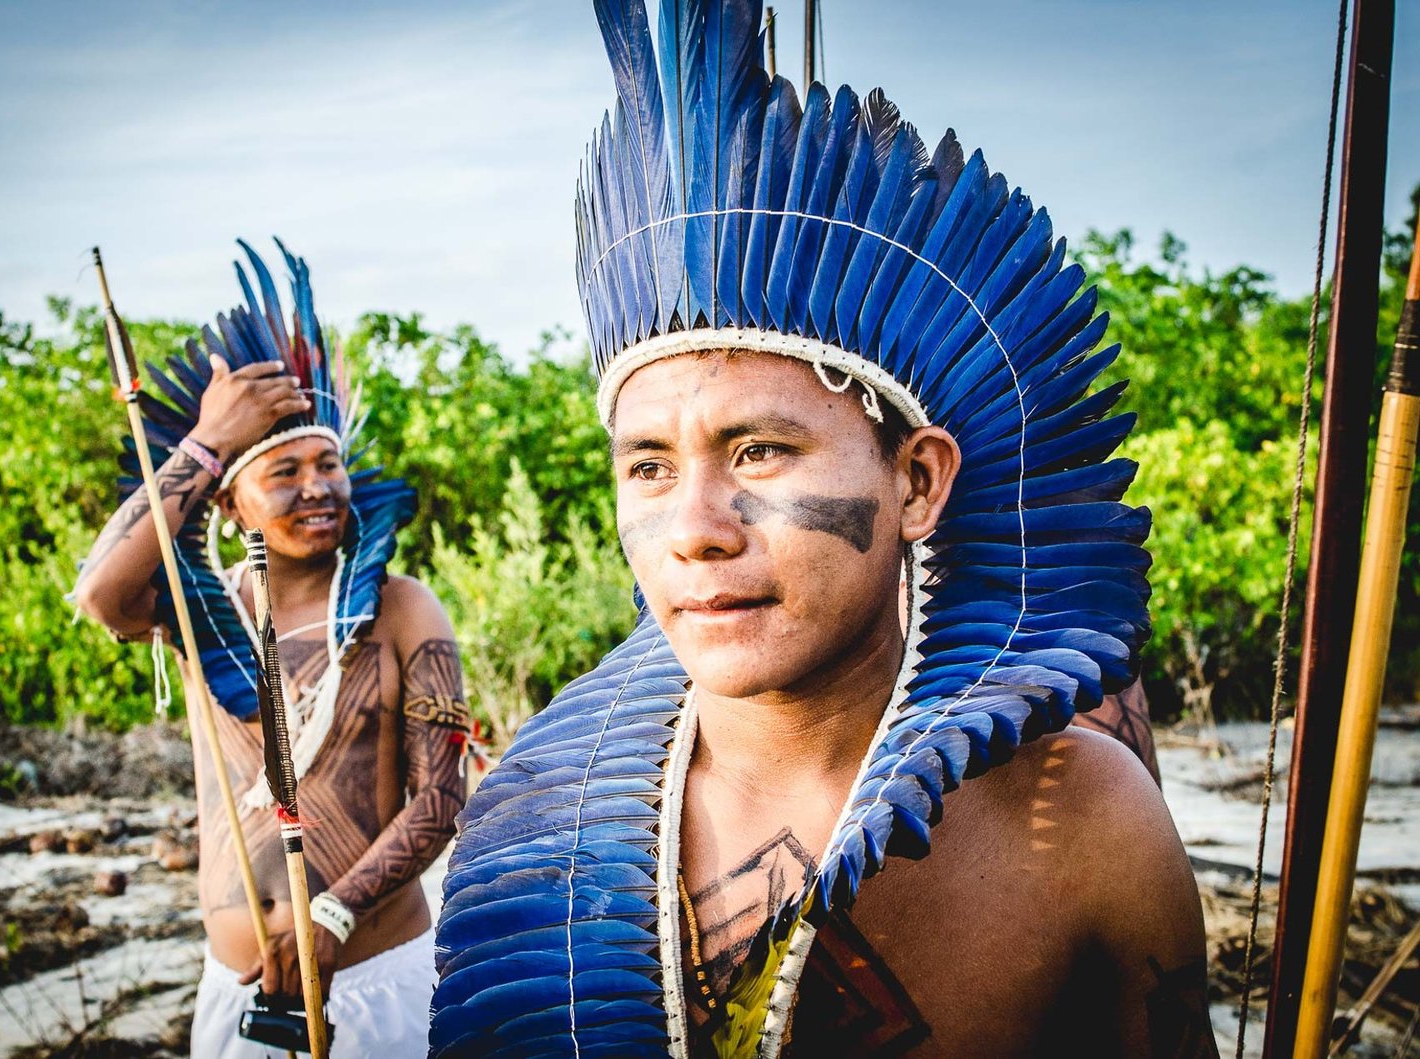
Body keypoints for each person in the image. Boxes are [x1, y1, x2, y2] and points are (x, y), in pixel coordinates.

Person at [428, 3, 1213, 1056]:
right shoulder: (533, 830)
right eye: (649, 466)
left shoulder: (1083, 831)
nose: (695, 528)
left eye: (758, 451)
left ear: (918, 481)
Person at [74, 241, 465, 1059]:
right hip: (235, 997)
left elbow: (439, 801)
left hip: (374, 980)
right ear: (226, 500)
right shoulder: (196, 613)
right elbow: (99, 592)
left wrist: (333, 913)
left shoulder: (400, 608)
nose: (317, 486)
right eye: (284, 470)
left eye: (329, 464)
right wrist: (208, 439)